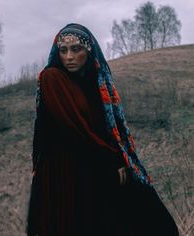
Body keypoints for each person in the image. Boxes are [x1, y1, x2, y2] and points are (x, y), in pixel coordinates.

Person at [26, 23, 179, 236]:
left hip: (92, 167)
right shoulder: (52, 78)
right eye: (63, 50)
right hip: (64, 172)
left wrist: (118, 160)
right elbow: (76, 128)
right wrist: (112, 160)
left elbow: (110, 129)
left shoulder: (95, 84)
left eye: (76, 49)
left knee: (153, 219)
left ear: (89, 51)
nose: (69, 56)